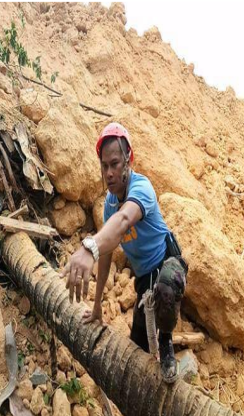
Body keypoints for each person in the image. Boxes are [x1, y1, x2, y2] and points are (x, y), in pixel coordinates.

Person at [62, 122, 186, 383]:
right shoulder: (109, 204)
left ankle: (166, 344)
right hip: (144, 279)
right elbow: (107, 254)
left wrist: (89, 247)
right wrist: (96, 307)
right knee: (138, 343)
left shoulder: (142, 188)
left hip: (168, 262)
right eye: (104, 166)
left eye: (115, 164)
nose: (109, 173)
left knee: (165, 286)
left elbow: (123, 221)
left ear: (129, 160)